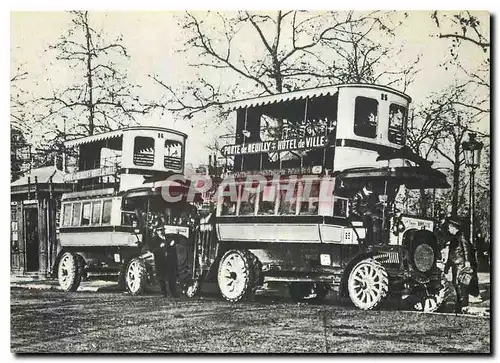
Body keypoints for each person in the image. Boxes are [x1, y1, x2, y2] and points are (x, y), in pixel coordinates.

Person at [444, 219, 478, 313]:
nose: (448, 229)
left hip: (461, 264)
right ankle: (460, 305)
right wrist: (447, 266)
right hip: (456, 264)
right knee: (456, 284)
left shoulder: (461, 236)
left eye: (449, 227)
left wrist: (467, 261)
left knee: (461, 285)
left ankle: (463, 306)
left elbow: (466, 248)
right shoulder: (455, 237)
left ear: (453, 227)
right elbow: (451, 254)